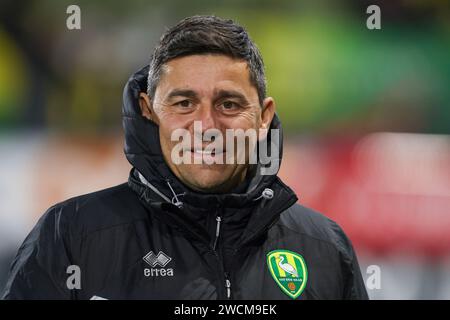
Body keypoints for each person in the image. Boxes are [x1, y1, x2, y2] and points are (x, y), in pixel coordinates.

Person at [2, 15, 368, 300]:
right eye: (183, 103)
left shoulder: (324, 248)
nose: (206, 126)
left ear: (263, 117)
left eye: (229, 103)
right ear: (149, 111)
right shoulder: (72, 235)